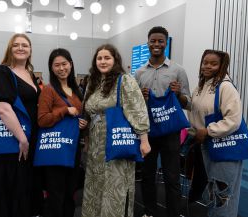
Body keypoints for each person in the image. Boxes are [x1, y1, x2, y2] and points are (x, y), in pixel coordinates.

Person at [81, 44, 151, 217]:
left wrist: (144, 140)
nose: (103, 61)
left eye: (107, 58)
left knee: (115, 186)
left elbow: (137, 109)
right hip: (96, 147)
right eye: (99, 58)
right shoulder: (93, 82)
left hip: (116, 141)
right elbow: (88, 111)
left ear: (115, 60)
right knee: (95, 185)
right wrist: (87, 140)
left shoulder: (125, 80)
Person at [0, 33, 43, 217]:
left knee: (22, 186)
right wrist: (22, 139)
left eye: (25, 45)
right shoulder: (2, 71)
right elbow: (3, 109)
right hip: (12, 139)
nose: (21, 48)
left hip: (28, 137)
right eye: (16, 45)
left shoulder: (30, 74)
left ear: (30, 50)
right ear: (10, 48)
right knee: (5, 187)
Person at [135, 26, 190, 217]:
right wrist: (140, 97)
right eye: (153, 41)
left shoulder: (178, 70)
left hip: (170, 132)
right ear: (148, 42)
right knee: (148, 175)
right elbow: (134, 105)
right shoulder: (140, 73)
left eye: (160, 41)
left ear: (166, 43)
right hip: (148, 132)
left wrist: (178, 95)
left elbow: (187, 102)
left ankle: (173, 214)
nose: (156, 44)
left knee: (172, 177)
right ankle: (149, 211)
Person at [187, 50, 243, 217]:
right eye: (205, 62)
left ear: (222, 66)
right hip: (205, 146)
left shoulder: (225, 86)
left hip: (224, 147)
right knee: (211, 192)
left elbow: (233, 119)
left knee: (223, 195)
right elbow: (197, 110)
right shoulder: (201, 85)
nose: (208, 66)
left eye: (213, 63)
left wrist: (208, 131)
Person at [37, 48, 88, 217]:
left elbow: (78, 115)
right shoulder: (49, 90)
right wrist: (64, 110)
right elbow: (42, 120)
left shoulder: (77, 91)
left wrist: (82, 123)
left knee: (70, 194)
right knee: (56, 195)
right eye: (56, 65)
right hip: (55, 150)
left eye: (64, 64)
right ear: (51, 68)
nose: (61, 68)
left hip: (73, 150)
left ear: (71, 65)